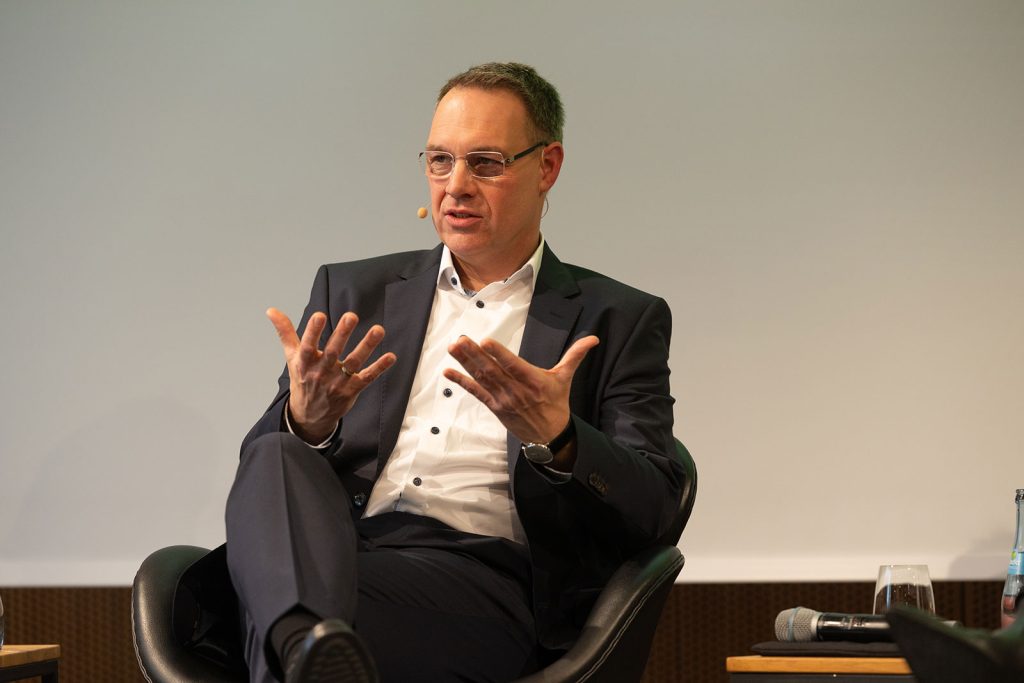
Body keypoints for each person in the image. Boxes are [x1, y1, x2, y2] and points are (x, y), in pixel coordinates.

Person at [219, 62, 687, 683]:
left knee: (268, 612)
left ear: (547, 167)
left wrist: (560, 438)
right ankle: (310, 647)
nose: (456, 186)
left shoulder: (618, 317)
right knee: (278, 452)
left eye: (485, 163)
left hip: (482, 584)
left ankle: (300, 639)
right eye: (440, 161)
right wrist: (307, 423)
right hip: (339, 555)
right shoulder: (353, 290)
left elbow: (655, 508)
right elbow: (257, 481)